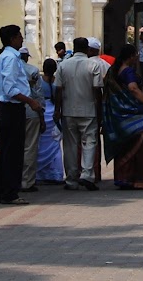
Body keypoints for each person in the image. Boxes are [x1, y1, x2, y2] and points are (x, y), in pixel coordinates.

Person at [100, 43, 143, 190]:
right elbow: (132, 88)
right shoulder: (128, 72)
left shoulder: (114, 70)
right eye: (136, 55)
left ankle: (122, 178)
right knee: (137, 145)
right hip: (132, 114)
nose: (137, 57)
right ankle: (135, 179)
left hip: (119, 115)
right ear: (131, 56)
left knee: (123, 146)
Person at [0, 26, 36, 205]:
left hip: (12, 107)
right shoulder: (10, 58)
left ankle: (6, 190)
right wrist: (30, 101)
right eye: (19, 37)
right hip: (12, 107)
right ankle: (9, 192)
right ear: (12, 39)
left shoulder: (9, 56)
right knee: (13, 152)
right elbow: (10, 89)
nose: (21, 40)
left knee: (10, 150)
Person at [54, 36, 105, 190]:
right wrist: (99, 109)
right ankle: (87, 174)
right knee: (90, 142)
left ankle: (71, 179)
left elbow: (58, 89)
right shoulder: (93, 65)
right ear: (87, 49)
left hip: (68, 110)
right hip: (88, 110)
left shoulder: (63, 65)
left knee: (70, 145)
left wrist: (57, 109)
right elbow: (97, 90)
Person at [19, 47, 44, 193]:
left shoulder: (11, 68)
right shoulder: (33, 70)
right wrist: (42, 116)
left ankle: (15, 179)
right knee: (30, 147)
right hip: (31, 110)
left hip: (14, 110)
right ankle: (27, 181)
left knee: (16, 146)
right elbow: (38, 95)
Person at [35, 58, 64, 183]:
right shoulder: (57, 82)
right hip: (54, 113)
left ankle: (40, 173)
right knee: (55, 144)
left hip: (43, 111)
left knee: (40, 144)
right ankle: (55, 173)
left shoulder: (39, 81)